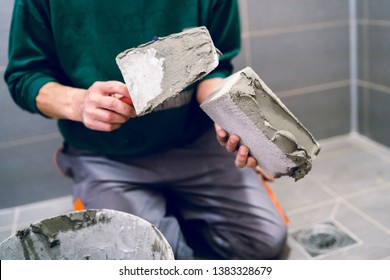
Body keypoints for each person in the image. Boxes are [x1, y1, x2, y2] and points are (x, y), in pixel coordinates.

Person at [5, 0, 287, 259]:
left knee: (266, 242)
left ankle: (173, 210)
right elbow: (24, 75)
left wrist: (236, 119)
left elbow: (216, 67)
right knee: (150, 261)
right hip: (106, 156)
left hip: (194, 144)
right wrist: (79, 104)